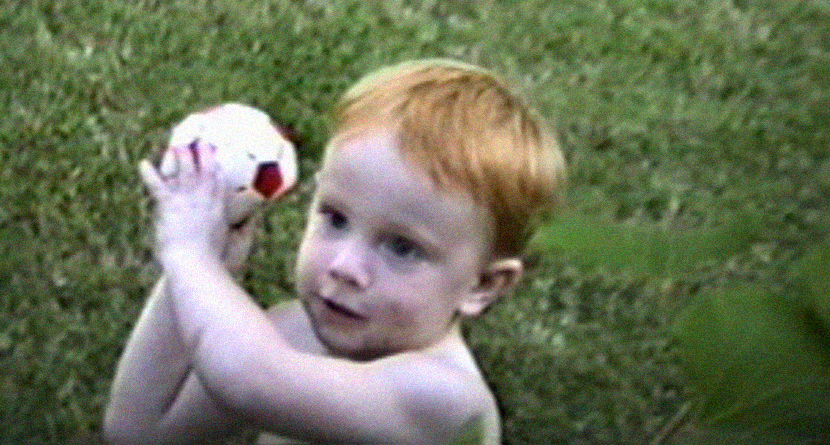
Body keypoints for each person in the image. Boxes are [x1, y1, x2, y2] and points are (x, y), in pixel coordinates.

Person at [104, 58, 566, 445]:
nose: (345, 267)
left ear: (483, 285)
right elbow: (140, 431)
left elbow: (248, 381)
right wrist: (209, 265)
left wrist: (191, 258)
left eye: (402, 248)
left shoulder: (445, 401)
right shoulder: (293, 334)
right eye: (336, 218)